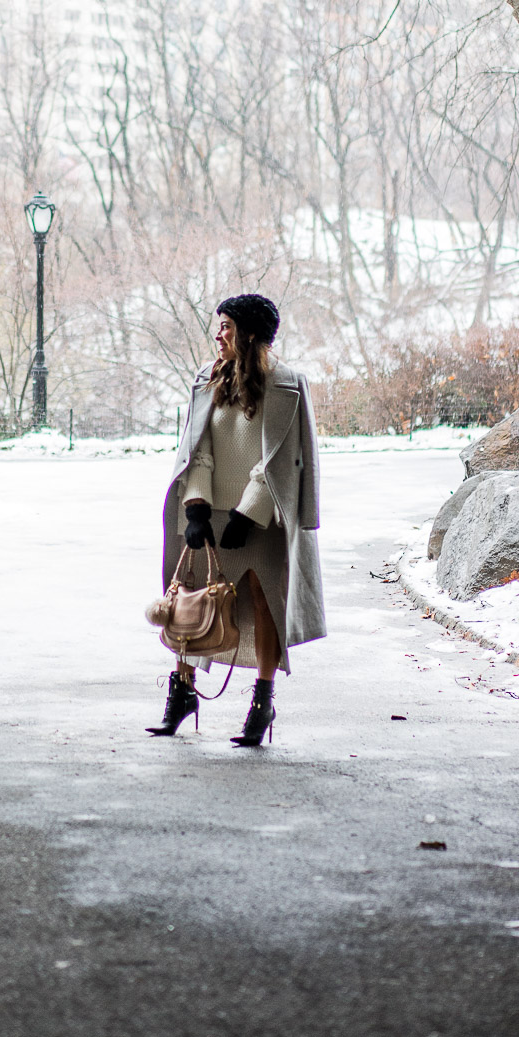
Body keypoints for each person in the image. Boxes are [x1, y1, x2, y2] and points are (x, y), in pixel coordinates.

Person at [148, 293, 326, 747]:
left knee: (265, 603)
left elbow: (282, 460)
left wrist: (249, 513)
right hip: (211, 514)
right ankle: (182, 693)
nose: (217, 333)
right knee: (191, 603)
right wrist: (196, 509)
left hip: (263, 518)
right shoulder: (207, 380)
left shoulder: (287, 384)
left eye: (225, 325)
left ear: (249, 333)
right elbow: (197, 449)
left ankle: (262, 705)